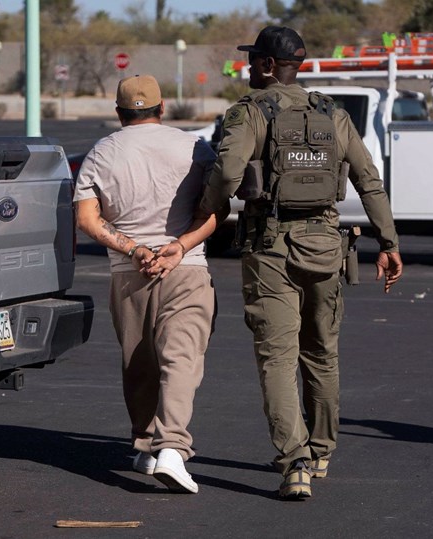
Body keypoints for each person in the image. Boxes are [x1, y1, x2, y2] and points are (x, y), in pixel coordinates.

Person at [146, 26, 403, 500]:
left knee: (278, 359)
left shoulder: (250, 113)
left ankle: (295, 463)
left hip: (272, 251)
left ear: (267, 65)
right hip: (327, 245)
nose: (247, 67)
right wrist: (388, 243)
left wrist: (206, 209)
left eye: (252, 60)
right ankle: (322, 452)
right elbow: (369, 180)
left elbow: (225, 172)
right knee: (322, 354)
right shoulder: (332, 114)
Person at [73, 74, 218, 494]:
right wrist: (179, 245)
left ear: (119, 112)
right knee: (180, 356)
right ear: (162, 107)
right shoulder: (196, 147)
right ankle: (171, 448)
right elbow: (215, 210)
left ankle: (148, 445)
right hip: (185, 267)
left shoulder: (101, 153)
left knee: (139, 362)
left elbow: (86, 220)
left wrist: (133, 248)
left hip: (127, 274)